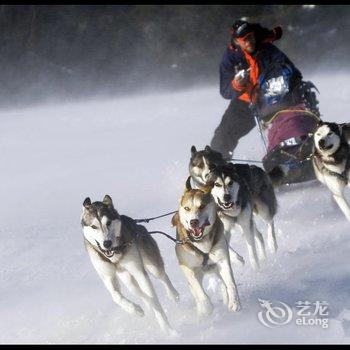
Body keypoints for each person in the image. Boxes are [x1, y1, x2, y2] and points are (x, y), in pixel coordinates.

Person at [210, 20, 317, 161]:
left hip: (274, 97)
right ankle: (219, 167)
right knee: (223, 136)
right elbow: (225, 91)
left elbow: (291, 70)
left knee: (290, 123)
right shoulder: (230, 59)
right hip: (246, 101)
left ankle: (304, 150)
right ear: (237, 42)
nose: (249, 42)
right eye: (244, 40)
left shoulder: (266, 48)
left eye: (250, 37)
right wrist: (237, 84)